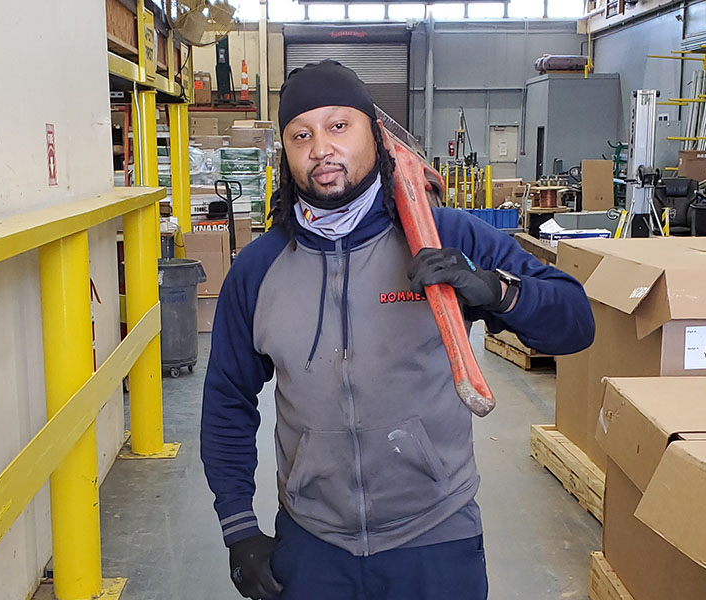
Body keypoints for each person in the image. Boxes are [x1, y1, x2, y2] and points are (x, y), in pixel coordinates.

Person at [200, 60, 595, 600]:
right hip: (314, 544)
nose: (321, 148)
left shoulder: (442, 236)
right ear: (286, 152)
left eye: (339, 126)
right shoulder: (259, 269)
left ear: (375, 135)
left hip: (436, 538)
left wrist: (497, 290)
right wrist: (238, 528)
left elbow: (576, 324)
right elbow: (227, 399)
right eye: (301, 135)